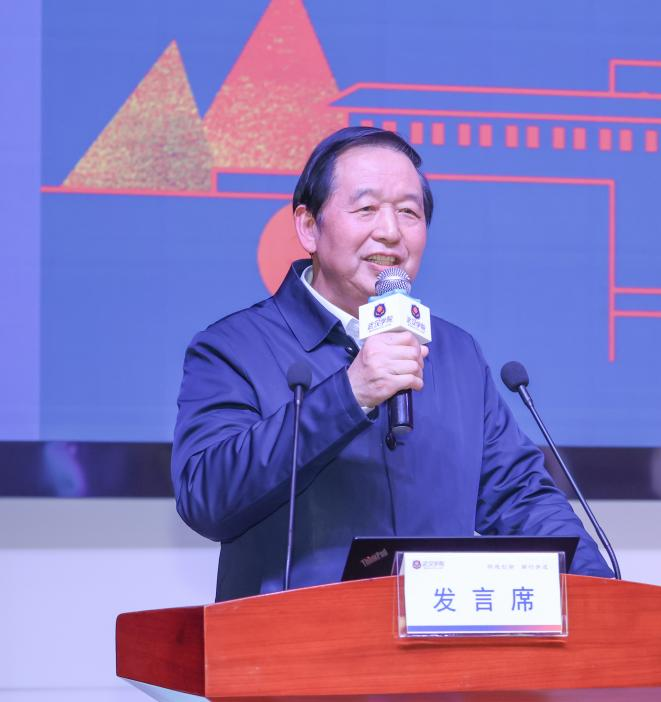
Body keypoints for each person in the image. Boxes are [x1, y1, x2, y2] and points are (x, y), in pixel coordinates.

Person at [172, 126, 614, 601]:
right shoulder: (234, 347)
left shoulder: (456, 353)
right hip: (297, 640)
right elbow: (206, 498)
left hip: (438, 639)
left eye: (409, 212)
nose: (390, 231)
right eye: (366, 209)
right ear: (308, 227)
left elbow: (520, 495)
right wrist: (349, 395)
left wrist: (602, 594)